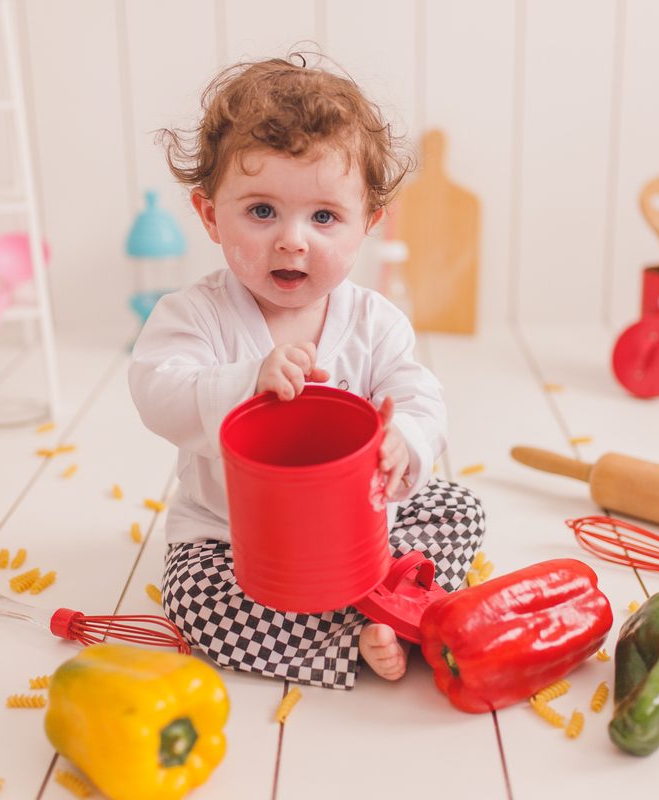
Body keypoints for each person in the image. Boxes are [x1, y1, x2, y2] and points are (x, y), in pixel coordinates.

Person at [128, 55, 485, 689]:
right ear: (211, 216)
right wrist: (246, 382)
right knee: (195, 602)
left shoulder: (376, 321)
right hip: (236, 542)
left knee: (458, 509)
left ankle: (389, 600)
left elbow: (416, 392)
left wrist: (407, 442)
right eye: (261, 211)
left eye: (324, 217)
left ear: (368, 224)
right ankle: (361, 632)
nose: (293, 240)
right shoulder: (195, 316)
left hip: (364, 534)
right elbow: (159, 391)